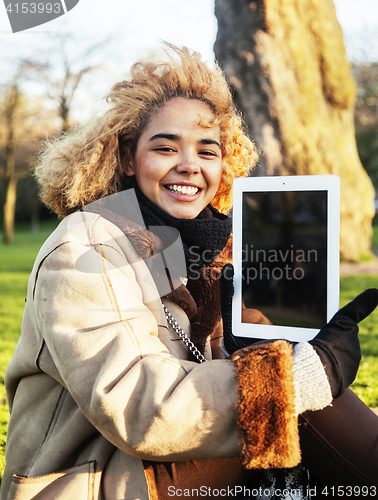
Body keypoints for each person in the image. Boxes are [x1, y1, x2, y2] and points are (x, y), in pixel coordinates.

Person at [1, 45, 377, 500]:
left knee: (306, 398)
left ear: (225, 163)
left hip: (166, 461)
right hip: (92, 480)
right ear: (125, 158)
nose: (189, 165)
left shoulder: (207, 249)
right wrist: (304, 374)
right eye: (165, 147)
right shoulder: (83, 247)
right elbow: (137, 406)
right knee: (302, 396)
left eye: (207, 150)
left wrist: (269, 339)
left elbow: (202, 372)